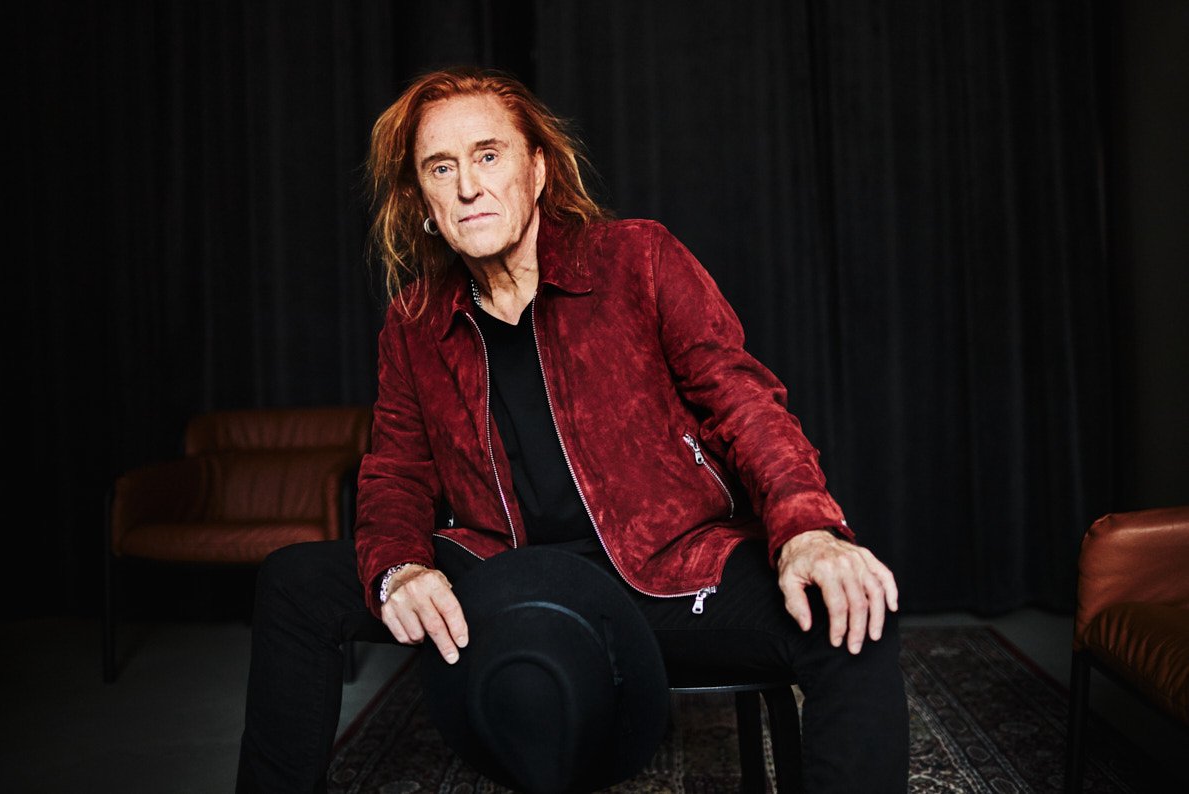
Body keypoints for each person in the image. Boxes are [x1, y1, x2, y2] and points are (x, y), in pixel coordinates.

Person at [236, 65, 908, 793]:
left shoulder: (636, 259)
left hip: (666, 570)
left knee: (852, 612)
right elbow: (397, 472)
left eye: (487, 155)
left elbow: (744, 401)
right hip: (505, 579)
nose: (468, 186)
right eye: (441, 167)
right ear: (422, 199)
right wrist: (402, 567)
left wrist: (806, 528)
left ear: (537, 170)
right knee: (295, 582)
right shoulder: (413, 322)